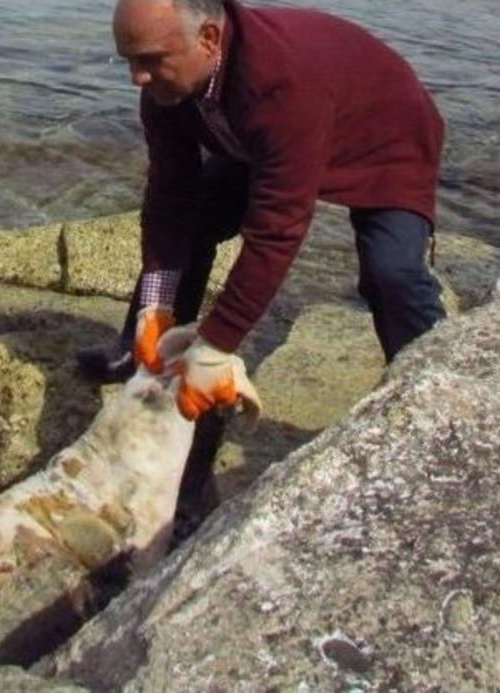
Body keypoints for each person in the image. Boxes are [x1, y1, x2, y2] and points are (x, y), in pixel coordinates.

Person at [78, 0, 447, 424]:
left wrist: (218, 344)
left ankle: (430, 388)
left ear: (209, 39)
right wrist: (154, 309)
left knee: (391, 272)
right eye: (128, 60)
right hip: (266, 137)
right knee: (194, 220)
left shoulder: (280, 84)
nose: (136, 78)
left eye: (150, 60)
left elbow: (277, 230)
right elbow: (170, 196)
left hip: (386, 139)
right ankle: (143, 351)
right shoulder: (166, 86)